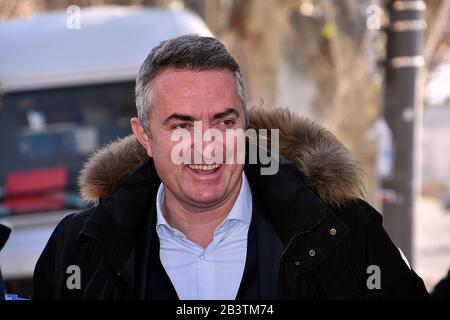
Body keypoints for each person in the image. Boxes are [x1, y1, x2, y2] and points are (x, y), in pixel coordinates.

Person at [32, 35, 428, 299]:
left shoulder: (346, 235)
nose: (206, 144)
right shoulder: (78, 248)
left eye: (224, 121)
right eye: (181, 125)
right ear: (145, 137)